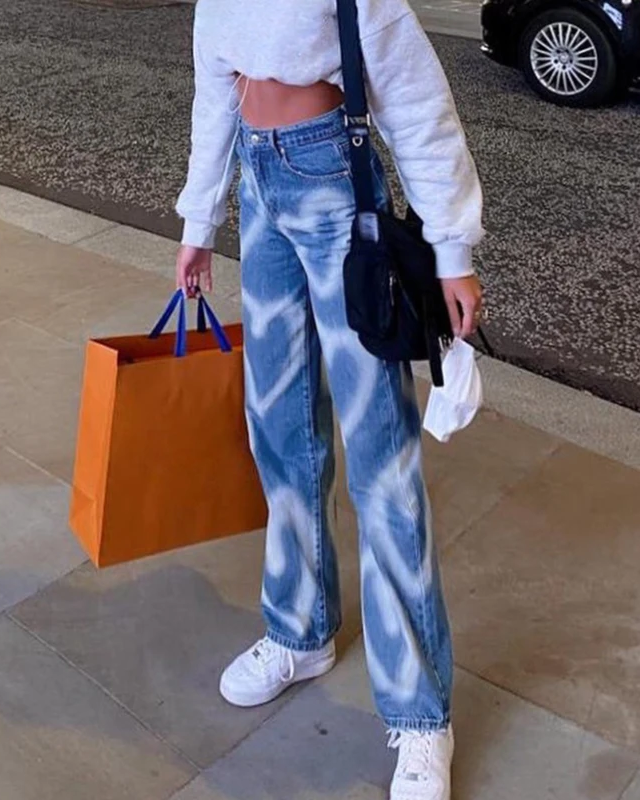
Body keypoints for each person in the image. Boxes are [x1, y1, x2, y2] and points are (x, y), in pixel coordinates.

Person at [174, 0, 484, 797]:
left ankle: (420, 715)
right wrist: (198, 223)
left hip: (337, 193)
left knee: (381, 454)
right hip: (261, 192)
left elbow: (415, 100)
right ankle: (299, 630)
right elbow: (215, 93)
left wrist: (451, 248)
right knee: (278, 430)